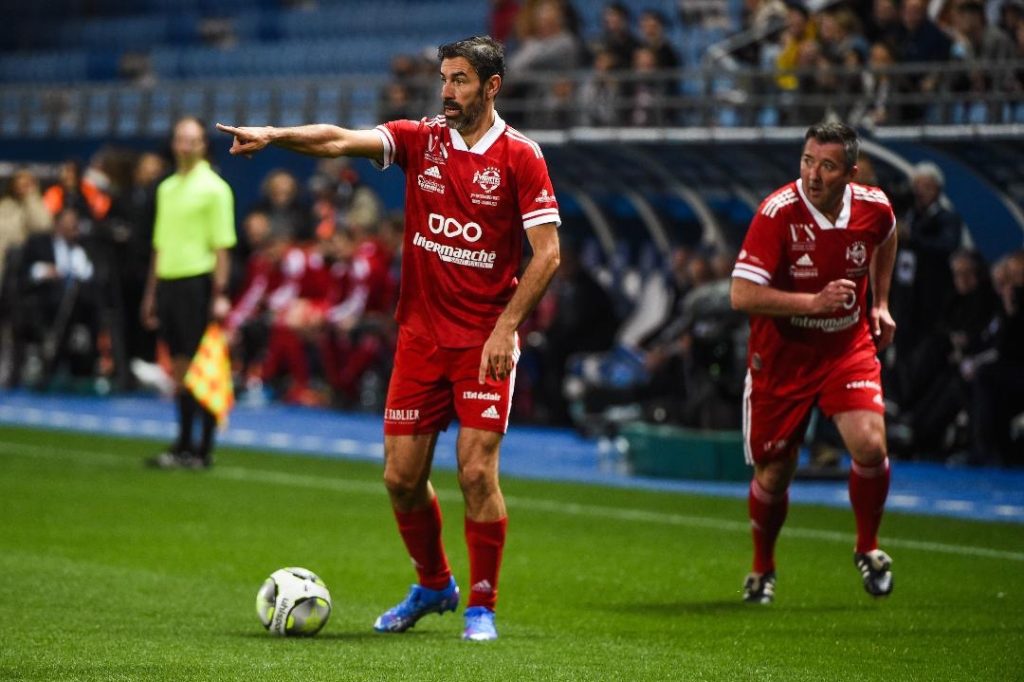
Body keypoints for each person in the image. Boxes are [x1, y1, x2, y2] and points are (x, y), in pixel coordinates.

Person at [216, 35, 561, 642]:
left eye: (459, 80)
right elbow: (336, 139)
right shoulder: (419, 140)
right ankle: (434, 584)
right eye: (444, 79)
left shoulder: (520, 157)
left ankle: (482, 606)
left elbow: (548, 254)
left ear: (491, 86)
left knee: (476, 471)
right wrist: (275, 135)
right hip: (421, 338)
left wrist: (507, 327)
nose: (447, 91)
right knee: (401, 478)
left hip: (483, 340)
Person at [730, 122, 898, 603]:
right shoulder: (777, 213)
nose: (813, 175)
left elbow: (887, 235)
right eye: (807, 161)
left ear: (850, 171)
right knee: (775, 474)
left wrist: (880, 302)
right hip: (782, 358)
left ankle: (868, 547)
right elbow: (740, 294)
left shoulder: (874, 206)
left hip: (846, 349)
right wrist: (813, 304)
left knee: (869, 444)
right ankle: (763, 568)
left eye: (826, 165)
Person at [142, 116, 236, 470]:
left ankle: (203, 448)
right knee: (179, 367)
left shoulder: (214, 188)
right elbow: (159, 246)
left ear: (202, 145)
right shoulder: (165, 188)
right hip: (169, 282)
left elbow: (222, 246)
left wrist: (220, 293)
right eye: (180, 139)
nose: (185, 145)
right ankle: (182, 444)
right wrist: (151, 294)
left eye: (192, 139)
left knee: (203, 366)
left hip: (198, 282)